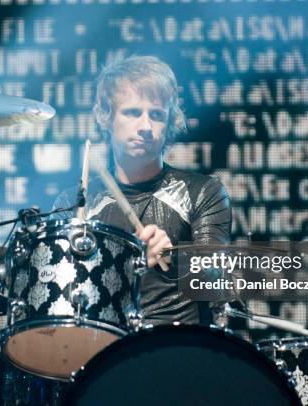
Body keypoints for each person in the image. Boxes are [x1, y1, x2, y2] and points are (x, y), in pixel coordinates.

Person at [52, 55, 232, 325]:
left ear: (170, 123)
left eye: (157, 115)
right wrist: (132, 263)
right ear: (105, 117)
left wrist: (174, 257)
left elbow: (215, 278)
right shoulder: (76, 202)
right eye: (133, 112)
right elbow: (62, 290)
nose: (146, 127)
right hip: (101, 350)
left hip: (178, 347)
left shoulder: (202, 192)